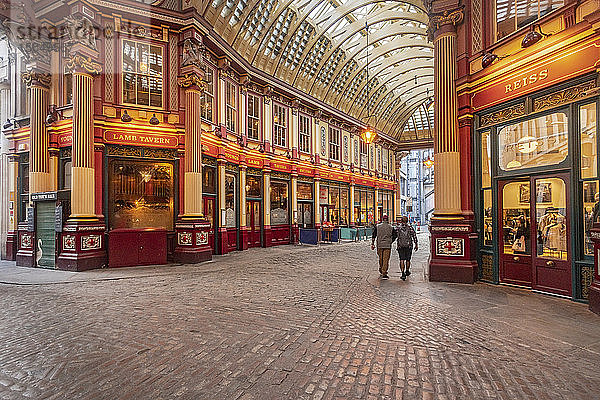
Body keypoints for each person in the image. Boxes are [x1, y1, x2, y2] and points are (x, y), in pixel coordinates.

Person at [371, 214, 397, 279]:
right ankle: (384, 272)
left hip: (379, 245)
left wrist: (372, 243)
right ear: (387, 219)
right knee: (386, 259)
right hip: (387, 245)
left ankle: (381, 269)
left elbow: (374, 235)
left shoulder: (378, 226)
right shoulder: (391, 227)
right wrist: (391, 241)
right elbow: (395, 235)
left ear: (382, 219)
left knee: (381, 258)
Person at [396, 216, 418, 281]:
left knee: (401, 259)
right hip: (409, 246)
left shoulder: (398, 228)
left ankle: (402, 273)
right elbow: (414, 236)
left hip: (400, 246)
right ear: (407, 221)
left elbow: (395, 235)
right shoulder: (410, 227)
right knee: (408, 259)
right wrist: (416, 244)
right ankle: (407, 271)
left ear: (401, 221)